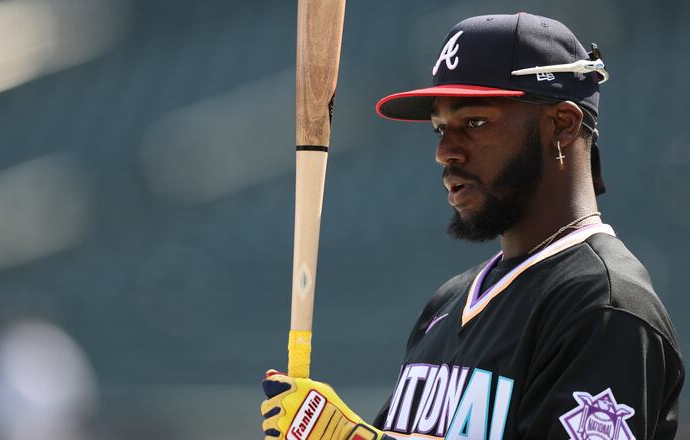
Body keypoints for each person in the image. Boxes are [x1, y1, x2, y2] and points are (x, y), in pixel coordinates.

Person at [260, 12, 684, 440]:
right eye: (441, 127)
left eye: (475, 122)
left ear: (561, 124)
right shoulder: (446, 303)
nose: (445, 152)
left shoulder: (606, 306)